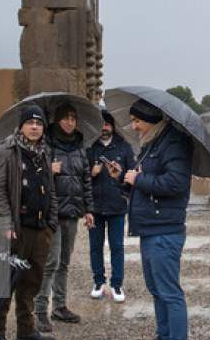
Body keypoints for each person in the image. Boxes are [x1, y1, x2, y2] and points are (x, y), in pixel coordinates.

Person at [0, 105, 57, 340]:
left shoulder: (44, 152)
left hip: (39, 230)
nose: (35, 127)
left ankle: (26, 331)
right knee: (4, 283)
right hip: (15, 230)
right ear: (21, 126)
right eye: (30, 123)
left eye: (39, 123)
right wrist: (5, 224)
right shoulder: (5, 152)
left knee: (30, 284)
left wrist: (51, 224)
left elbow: (51, 191)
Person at [124, 99, 192, 340]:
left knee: (169, 292)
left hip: (165, 230)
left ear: (152, 121)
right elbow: (145, 183)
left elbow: (176, 183)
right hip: (151, 228)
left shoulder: (173, 143)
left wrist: (138, 180)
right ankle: (163, 335)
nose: (133, 126)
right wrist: (125, 180)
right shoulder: (152, 144)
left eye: (137, 121)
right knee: (157, 290)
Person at [34, 103, 95, 333]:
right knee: (51, 263)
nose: (70, 122)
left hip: (72, 212)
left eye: (73, 118)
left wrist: (89, 209)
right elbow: (31, 174)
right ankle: (41, 310)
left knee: (65, 263)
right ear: (57, 120)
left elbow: (86, 180)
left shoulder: (80, 145)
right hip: (52, 212)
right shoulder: (45, 144)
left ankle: (59, 306)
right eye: (65, 118)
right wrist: (48, 169)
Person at [86, 109, 135, 302]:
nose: (103, 128)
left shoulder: (124, 148)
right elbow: (82, 177)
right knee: (95, 247)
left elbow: (132, 175)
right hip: (95, 206)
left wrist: (121, 173)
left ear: (112, 126)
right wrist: (92, 173)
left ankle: (117, 284)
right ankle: (98, 281)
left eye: (106, 124)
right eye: (100, 124)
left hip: (117, 205)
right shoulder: (90, 148)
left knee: (117, 246)